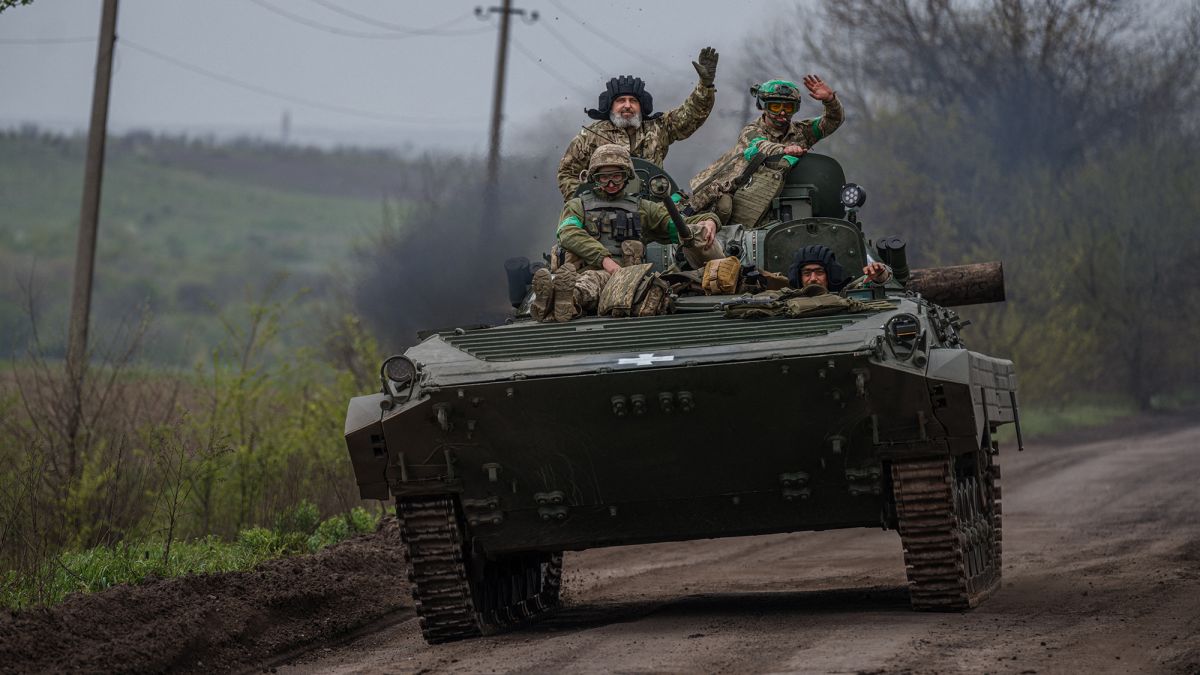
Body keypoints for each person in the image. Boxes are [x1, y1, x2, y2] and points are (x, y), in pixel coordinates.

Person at [533, 144, 725, 322]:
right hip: (587, 273)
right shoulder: (577, 206)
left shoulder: (643, 208)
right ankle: (560, 298)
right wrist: (605, 261)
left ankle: (561, 300)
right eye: (603, 177)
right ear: (594, 178)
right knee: (590, 280)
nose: (610, 183)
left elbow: (678, 226)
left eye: (616, 176)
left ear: (627, 176)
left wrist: (709, 220)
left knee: (596, 283)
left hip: (628, 281)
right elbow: (567, 232)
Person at [556, 47, 719, 200]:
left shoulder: (658, 128)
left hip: (653, 207)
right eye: (621, 100)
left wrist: (705, 85)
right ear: (611, 106)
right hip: (604, 210)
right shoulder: (589, 137)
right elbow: (567, 173)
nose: (627, 105)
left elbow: (690, 115)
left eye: (633, 101)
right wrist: (586, 201)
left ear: (641, 106)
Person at [688, 76, 844, 224]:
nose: (782, 113)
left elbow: (832, 121)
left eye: (788, 107)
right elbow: (760, 146)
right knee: (723, 208)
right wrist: (786, 149)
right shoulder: (750, 131)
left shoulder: (801, 132)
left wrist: (830, 101)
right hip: (731, 191)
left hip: (775, 195)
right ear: (763, 106)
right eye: (775, 106)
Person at [786, 244, 890, 293]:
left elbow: (867, 283)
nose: (813, 278)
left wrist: (880, 275)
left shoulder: (845, 296)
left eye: (819, 272)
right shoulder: (785, 302)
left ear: (830, 275)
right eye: (807, 273)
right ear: (799, 277)